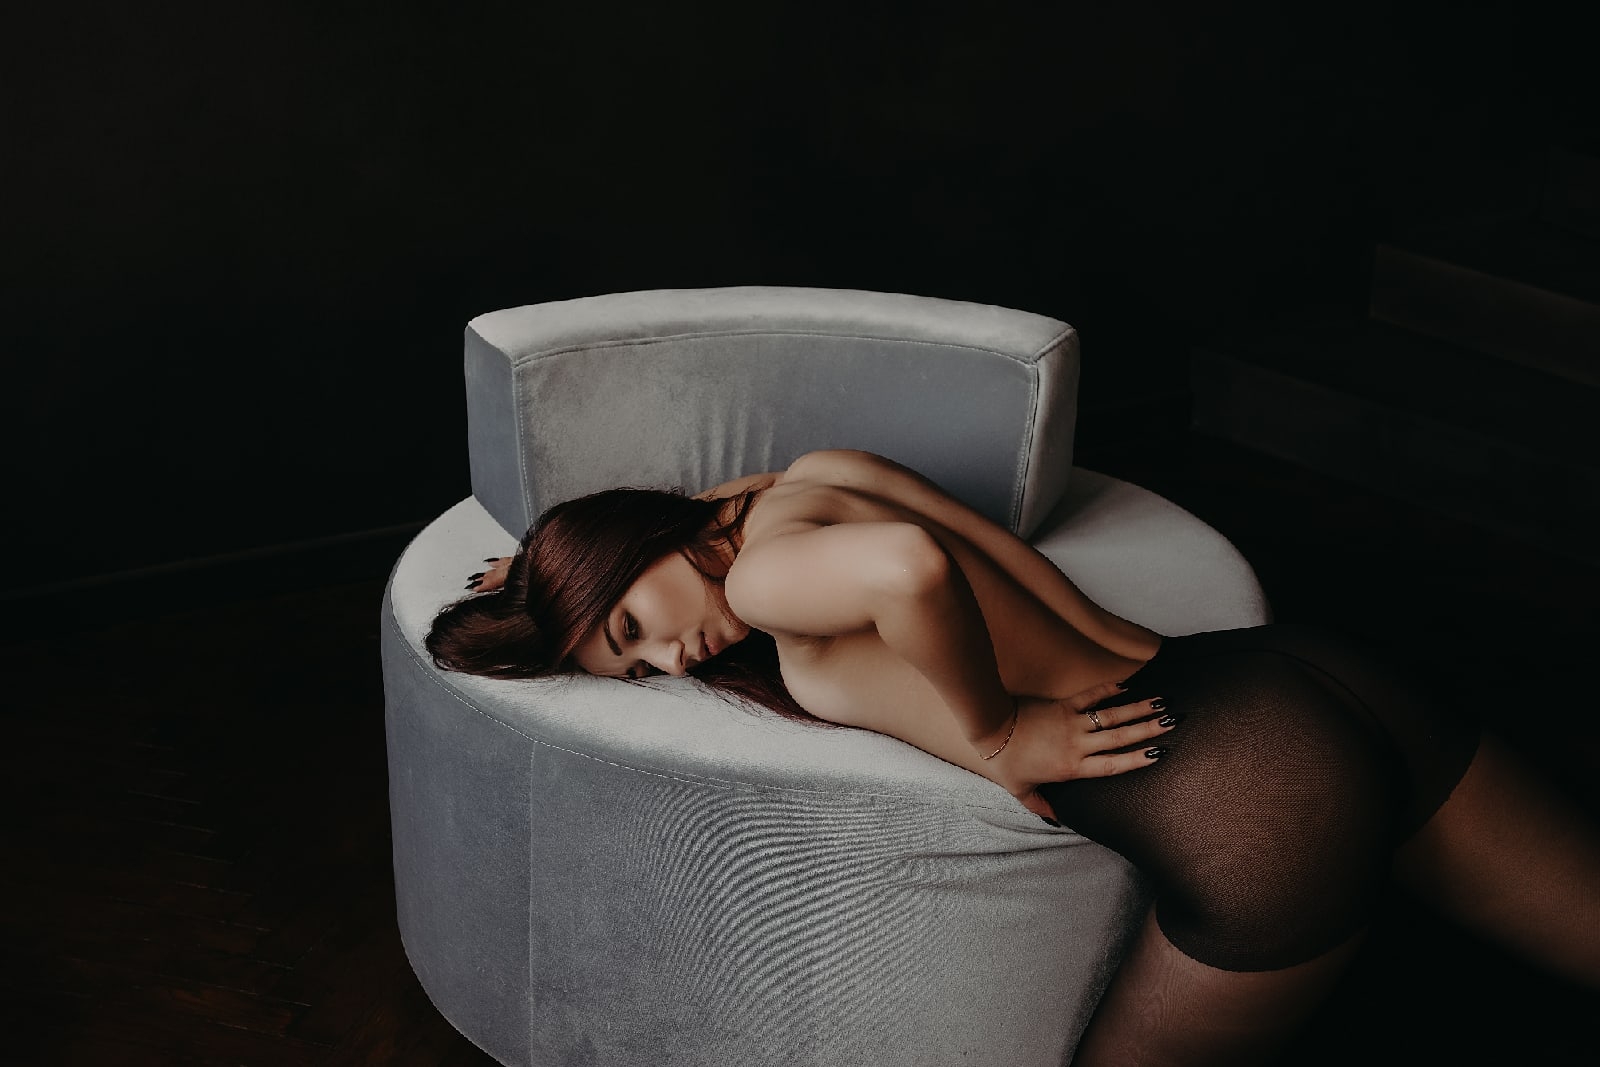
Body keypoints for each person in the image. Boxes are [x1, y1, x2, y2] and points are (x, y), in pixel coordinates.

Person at [426, 448, 1600, 1066]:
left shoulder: (770, 579)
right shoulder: (805, 484)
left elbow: (907, 569)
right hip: (1293, 675)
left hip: (1229, 782)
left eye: (633, 623)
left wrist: (992, 728)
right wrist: (550, 578)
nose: (671, 657)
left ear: (629, 542)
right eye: (636, 667)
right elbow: (799, 533)